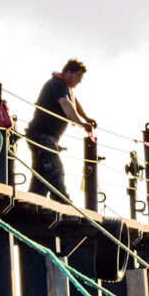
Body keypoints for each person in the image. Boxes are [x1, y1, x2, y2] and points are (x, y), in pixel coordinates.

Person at [27, 59, 96, 204]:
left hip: (43, 136)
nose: (79, 81)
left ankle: (32, 202)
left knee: (41, 174)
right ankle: (62, 201)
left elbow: (74, 103)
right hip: (42, 135)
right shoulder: (57, 84)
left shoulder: (64, 87)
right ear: (68, 73)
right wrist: (81, 124)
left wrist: (86, 118)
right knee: (54, 170)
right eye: (78, 76)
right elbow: (66, 104)